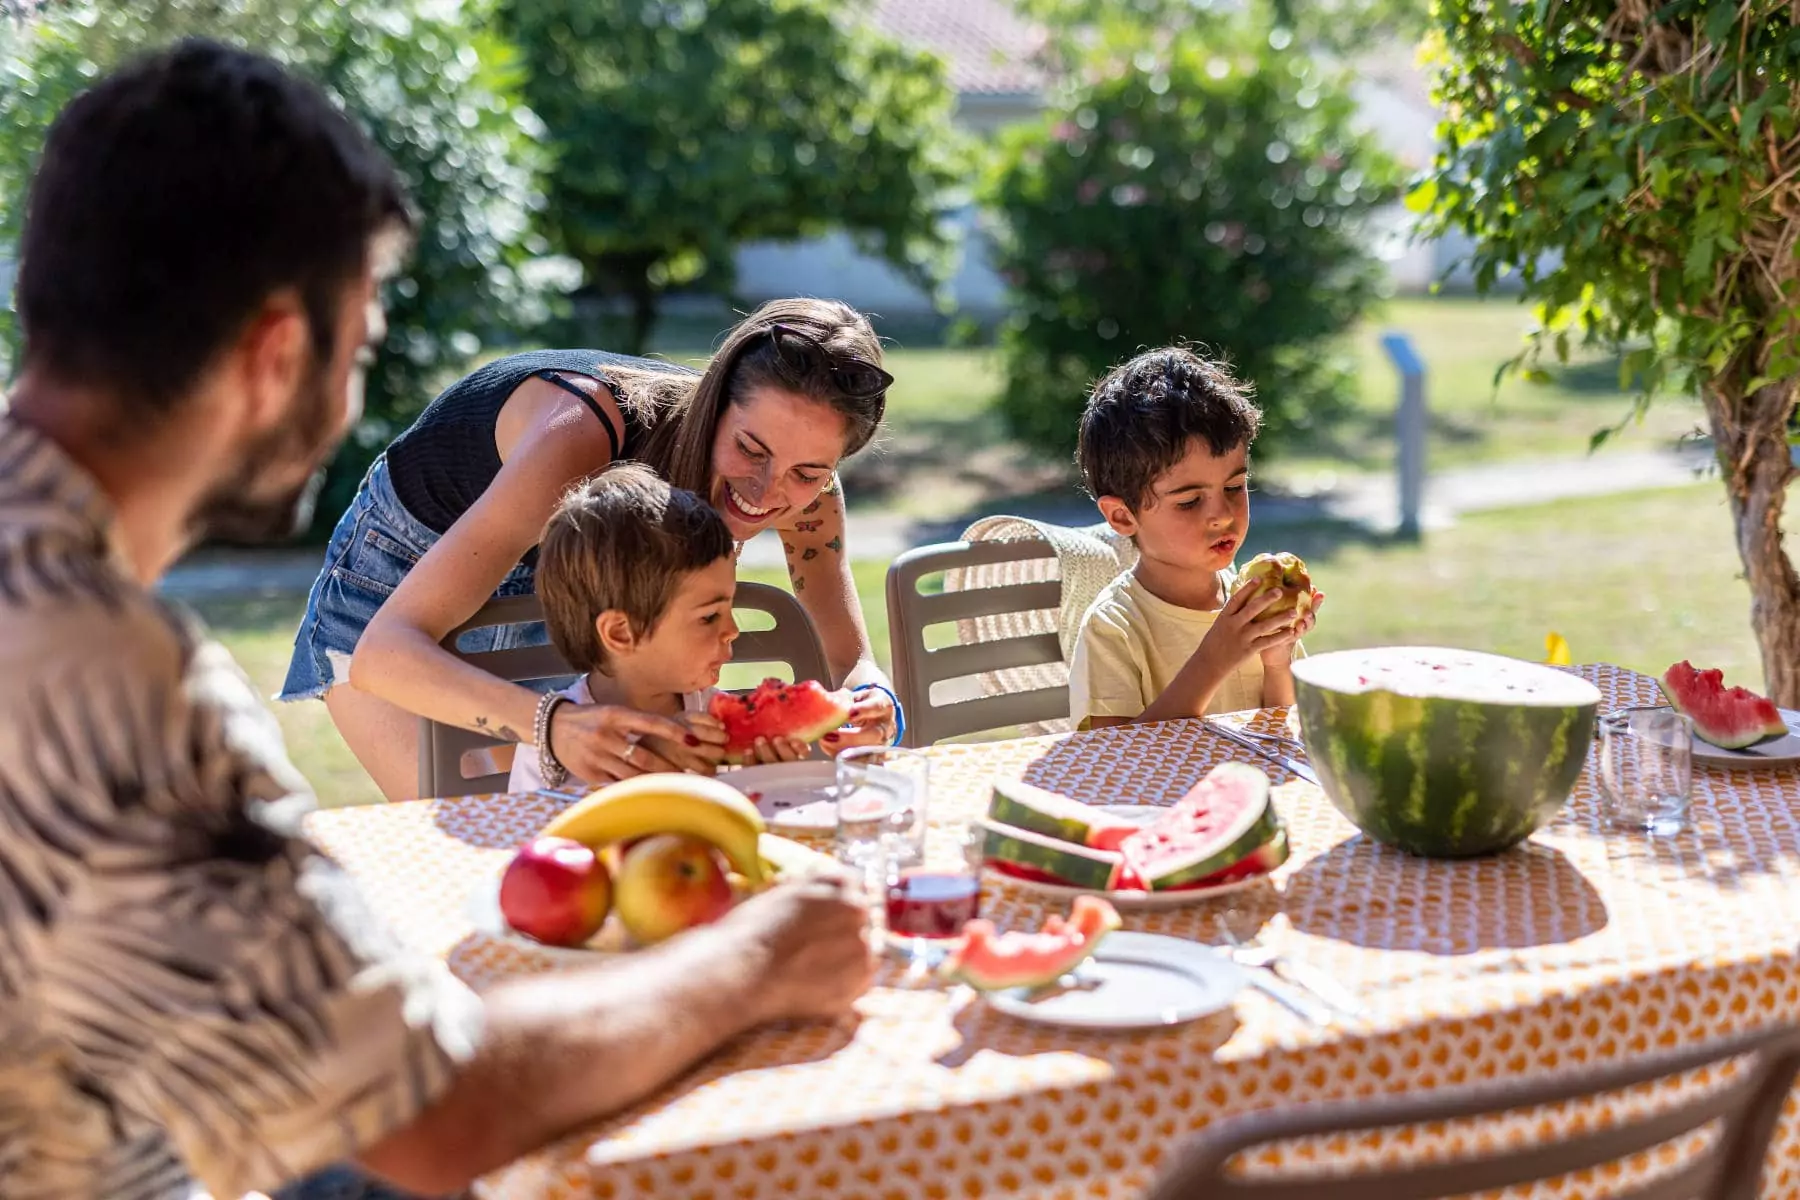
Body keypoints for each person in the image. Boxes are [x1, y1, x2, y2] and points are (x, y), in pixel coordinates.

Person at [0, 40, 873, 1200]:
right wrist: (751, 966)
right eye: (359, 350)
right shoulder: (121, 681)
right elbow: (425, 1111)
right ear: (278, 355)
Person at [279, 296, 901, 801]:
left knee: (583, 836)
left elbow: (852, 661)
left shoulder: (812, 495)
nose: (769, 494)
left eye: (809, 472)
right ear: (713, 402)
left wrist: (874, 703)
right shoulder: (581, 433)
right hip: (401, 578)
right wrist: (553, 723)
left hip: (568, 588)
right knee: (476, 846)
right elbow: (384, 655)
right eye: (751, 451)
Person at [507, 464, 817, 793]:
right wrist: (649, 761)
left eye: (730, 607)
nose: (733, 630)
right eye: (710, 616)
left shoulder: (709, 714)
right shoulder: (553, 742)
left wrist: (768, 780)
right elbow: (536, 835)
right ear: (620, 633)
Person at [1067, 347, 1324, 729]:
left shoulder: (1250, 602)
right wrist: (1214, 658)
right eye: (1189, 501)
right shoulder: (1114, 628)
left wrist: (1277, 662)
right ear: (1123, 516)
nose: (1221, 515)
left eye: (1235, 487)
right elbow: (1114, 757)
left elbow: (1280, 732)